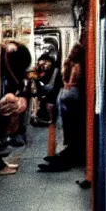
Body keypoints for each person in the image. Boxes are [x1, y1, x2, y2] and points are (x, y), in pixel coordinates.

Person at [39, 42, 86, 173]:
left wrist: (66, 86)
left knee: (62, 125)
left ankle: (61, 155)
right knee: (69, 127)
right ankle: (64, 155)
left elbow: (65, 80)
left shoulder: (68, 64)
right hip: (74, 95)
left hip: (65, 94)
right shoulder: (79, 65)